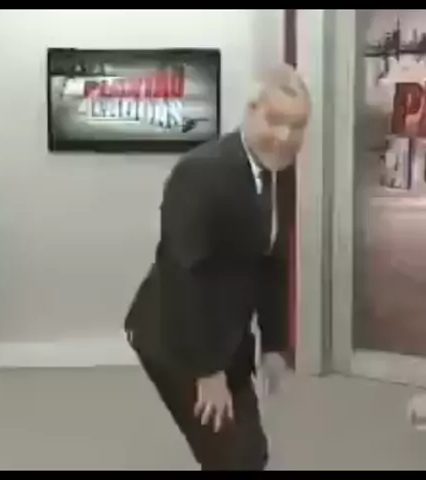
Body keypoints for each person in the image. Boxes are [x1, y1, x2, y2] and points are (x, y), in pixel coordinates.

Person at [124, 64, 311, 471]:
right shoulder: (201, 172)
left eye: (297, 126)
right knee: (234, 458)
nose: (285, 137)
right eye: (275, 120)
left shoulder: (279, 171)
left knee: (249, 452)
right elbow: (184, 275)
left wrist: (275, 344)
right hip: (177, 336)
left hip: (229, 332)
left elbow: (271, 264)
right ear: (251, 110)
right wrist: (207, 371)